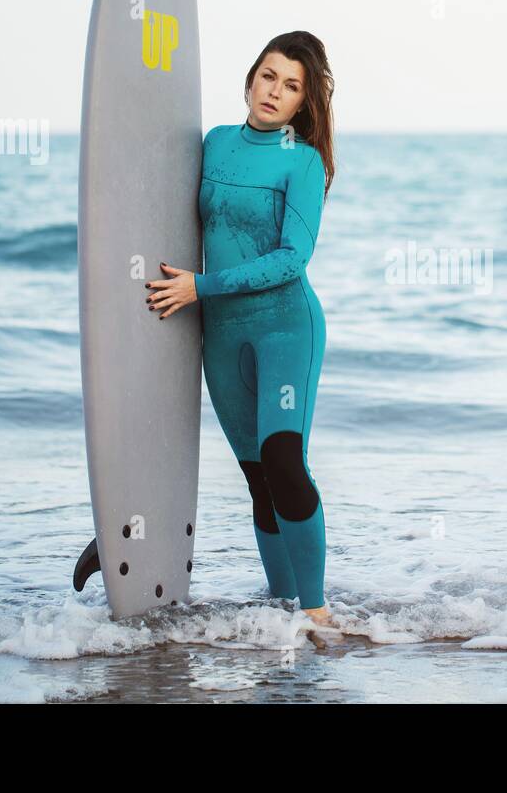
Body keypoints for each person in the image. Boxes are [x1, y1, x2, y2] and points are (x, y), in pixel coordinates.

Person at [146, 31, 338, 633]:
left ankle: (317, 609)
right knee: (258, 478)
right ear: (250, 78)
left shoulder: (302, 161)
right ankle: (284, 612)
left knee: (284, 460)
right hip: (224, 336)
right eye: (267, 76)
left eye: (291, 85)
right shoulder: (216, 144)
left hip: (285, 328)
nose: (274, 92)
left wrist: (198, 287)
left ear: (304, 102)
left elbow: (292, 259)